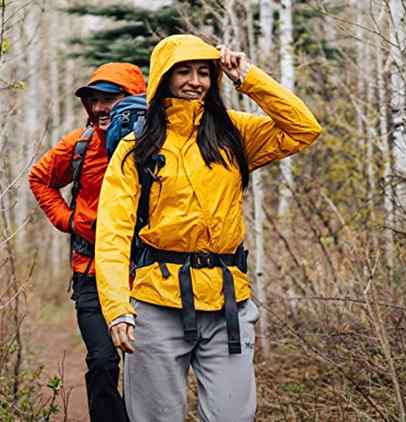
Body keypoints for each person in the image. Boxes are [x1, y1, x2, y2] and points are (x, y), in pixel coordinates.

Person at [94, 34, 322, 422]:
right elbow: (112, 233)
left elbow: (303, 128)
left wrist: (247, 76)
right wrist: (117, 309)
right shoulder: (136, 148)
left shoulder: (234, 133)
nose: (195, 81)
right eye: (183, 71)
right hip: (155, 303)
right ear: (163, 77)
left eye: (203, 72)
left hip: (227, 302)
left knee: (233, 415)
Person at [28, 62, 146, 422]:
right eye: (93, 100)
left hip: (145, 273)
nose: (99, 108)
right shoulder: (80, 144)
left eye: (110, 99)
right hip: (91, 271)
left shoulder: (158, 142)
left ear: (135, 99)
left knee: (147, 367)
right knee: (102, 361)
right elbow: (39, 179)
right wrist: (68, 221)